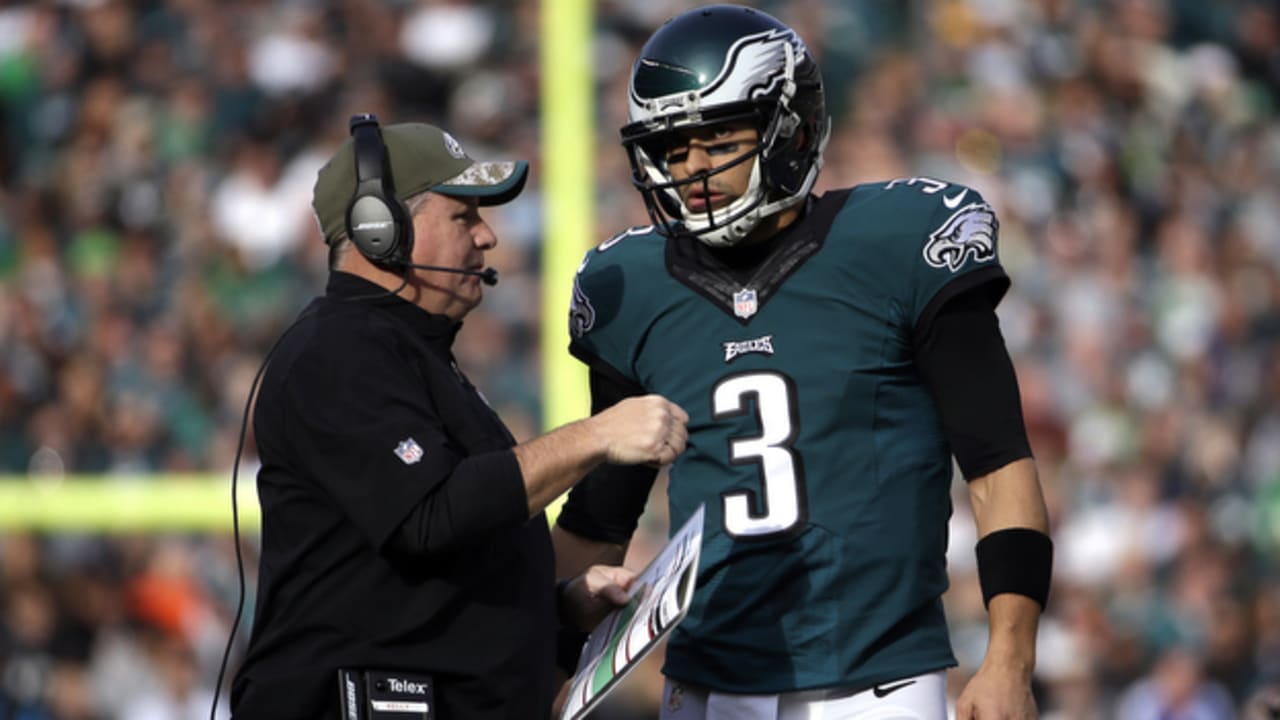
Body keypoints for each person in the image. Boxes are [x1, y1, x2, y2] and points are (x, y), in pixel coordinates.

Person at [554, 5, 1052, 719]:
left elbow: (997, 464)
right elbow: (601, 517)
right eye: (672, 146)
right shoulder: (629, 288)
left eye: (716, 135)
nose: (692, 166)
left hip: (877, 679)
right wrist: (543, 664)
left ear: (788, 126)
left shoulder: (898, 244)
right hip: (704, 684)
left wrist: (1010, 658)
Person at [229, 115, 689, 719]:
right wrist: (599, 436)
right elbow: (431, 515)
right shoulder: (334, 353)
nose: (487, 236)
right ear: (381, 230)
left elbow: (412, 584)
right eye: (464, 215)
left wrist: (556, 605)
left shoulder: (410, 356)